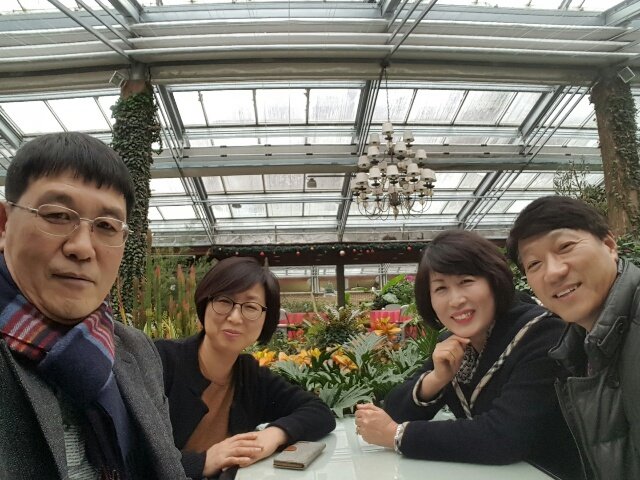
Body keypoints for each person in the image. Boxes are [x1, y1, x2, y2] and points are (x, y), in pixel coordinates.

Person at [0, 132, 187, 479]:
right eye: (58, 215)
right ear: (4, 224)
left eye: (106, 226)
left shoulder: (135, 350)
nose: (83, 248)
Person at [355, 230, 581, 479]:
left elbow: (505, 436)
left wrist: (398, 435)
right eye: (441, 288)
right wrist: (436, 379)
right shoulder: (454, 341)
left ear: (494, 281)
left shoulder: (543, 333)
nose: (456, 300)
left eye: (466, 281)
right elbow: (394, 411)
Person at [155, 256, 336, 480]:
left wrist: (272, 435)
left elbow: (318, 412)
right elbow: (132, 457)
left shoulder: (251, 377)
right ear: (205, 304)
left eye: (250, 307)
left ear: (266, 320)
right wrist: (203, 462)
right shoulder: (159, 362)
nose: (234, 317)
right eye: (224, 301)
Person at [507, 195, 640, 480]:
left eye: (565, 247)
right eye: (534, 264)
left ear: (609, 245)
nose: (553, 272)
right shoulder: (578, 349)